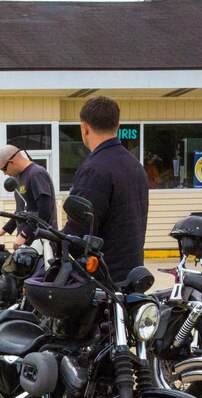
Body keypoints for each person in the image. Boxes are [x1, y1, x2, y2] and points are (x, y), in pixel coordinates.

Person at [63, 96, 149, 283]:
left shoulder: (94, 170)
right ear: (117, 125)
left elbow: (80, 233)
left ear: (85, 128)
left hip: (102, 280)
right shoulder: (135, 165)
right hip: (132, 274)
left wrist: (57, 244)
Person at [0, 144, 56, 251]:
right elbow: (20, 212)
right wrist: (2, 231)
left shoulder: (36, 174)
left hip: (42, 244)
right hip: (27, 244)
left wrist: (24, 234)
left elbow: (45, 212)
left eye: (4, 169)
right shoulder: (20, 178)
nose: (5, 174)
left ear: (11, 162)